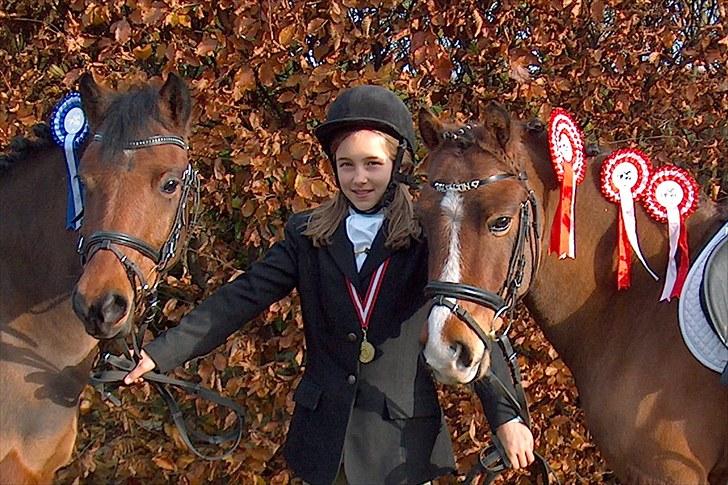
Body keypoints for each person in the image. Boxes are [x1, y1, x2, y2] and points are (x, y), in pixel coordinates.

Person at [125, 85, 535, 484]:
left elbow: (472, 315)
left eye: (372, 164)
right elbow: (242, 297)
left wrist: (506, 416)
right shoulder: (306, 235)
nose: (359, 178)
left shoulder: (424, 237)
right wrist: (159, 354)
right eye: (346, 165)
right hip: (325, 443)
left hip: (401, 448)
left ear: (396, 165)